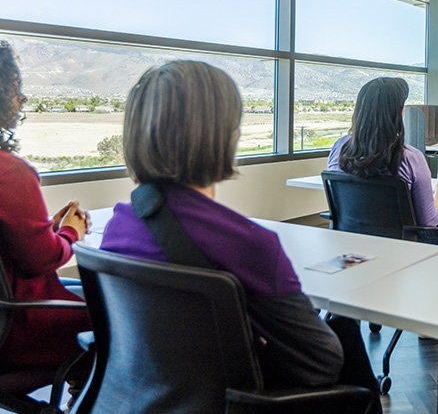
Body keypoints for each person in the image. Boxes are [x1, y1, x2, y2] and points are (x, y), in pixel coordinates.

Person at [99, 61, 382, 411]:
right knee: (343, 332)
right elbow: (321, 363)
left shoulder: (121, 224)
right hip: (240, 400)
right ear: (224, 137)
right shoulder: (248, 244)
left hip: (149, 398)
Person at [0, 41, 91, 388]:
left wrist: (45, 227)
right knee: (118, 319)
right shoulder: (10, 172)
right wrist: (69, 233)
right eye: (15, 89)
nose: (21, 99)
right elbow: (43, 259)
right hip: (17, 328)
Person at [327, 77, 438, 246]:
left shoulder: (339, 148)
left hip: (350, 241)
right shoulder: (410, 157)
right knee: (436, 210)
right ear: (398, 112)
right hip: (404, 247)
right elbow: (429, 220)